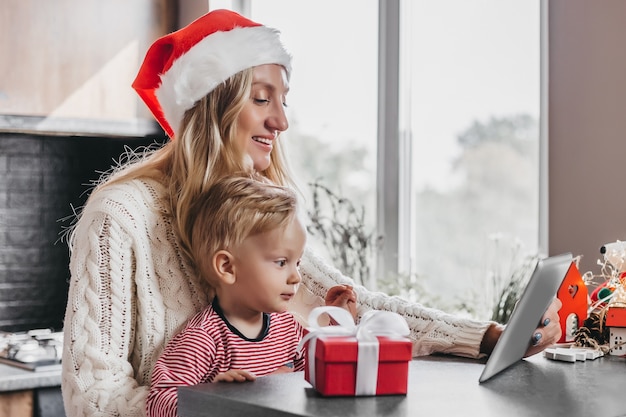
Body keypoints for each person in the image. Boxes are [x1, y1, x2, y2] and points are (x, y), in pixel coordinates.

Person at [61, 8, 562, 417]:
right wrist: (212, 408)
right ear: (211, 106)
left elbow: (353, 307)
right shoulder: (120, 215)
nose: (280, 120)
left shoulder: (256, 207)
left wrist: (486, 336)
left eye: (283, 100)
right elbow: (93, 399)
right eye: (261, 99)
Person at [145, 174, 357, 417]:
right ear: (227, 267)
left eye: (297, 263)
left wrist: (339, 322)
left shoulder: (287, 328)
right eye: (281, 262)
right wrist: (215, 397)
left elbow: (322, 376)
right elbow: (158, 403)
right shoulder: (203, 339)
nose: (296, 277)